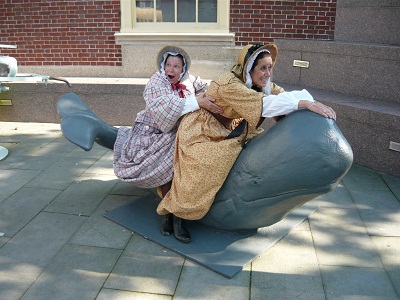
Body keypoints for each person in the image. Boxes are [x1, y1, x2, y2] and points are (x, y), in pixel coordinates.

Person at [156, 43, 336, 243]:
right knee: (202, 166)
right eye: (262, 68)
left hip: (227, 130)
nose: (267, 73)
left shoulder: (259, 85)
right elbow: (264, 104)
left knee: (229, 159)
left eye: (270, 67)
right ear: (249, 68)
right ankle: (174, 215)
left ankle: (176, 211)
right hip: (201, 129)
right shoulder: (230, 84)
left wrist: (310, 105)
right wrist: (306, 103)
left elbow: (281, 96)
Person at [113, 45, 222, 237]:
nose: (171, 70)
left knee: (190, 163)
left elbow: (209, 89)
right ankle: (169, 215)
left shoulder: (190, 80)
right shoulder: (156, 82)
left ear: (184, 68)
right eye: (169, 65)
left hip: (183, 130)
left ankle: (177, 216)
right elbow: (162, 108)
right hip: (156, 131)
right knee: (171, 164)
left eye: (177, 66)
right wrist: (197, 101)